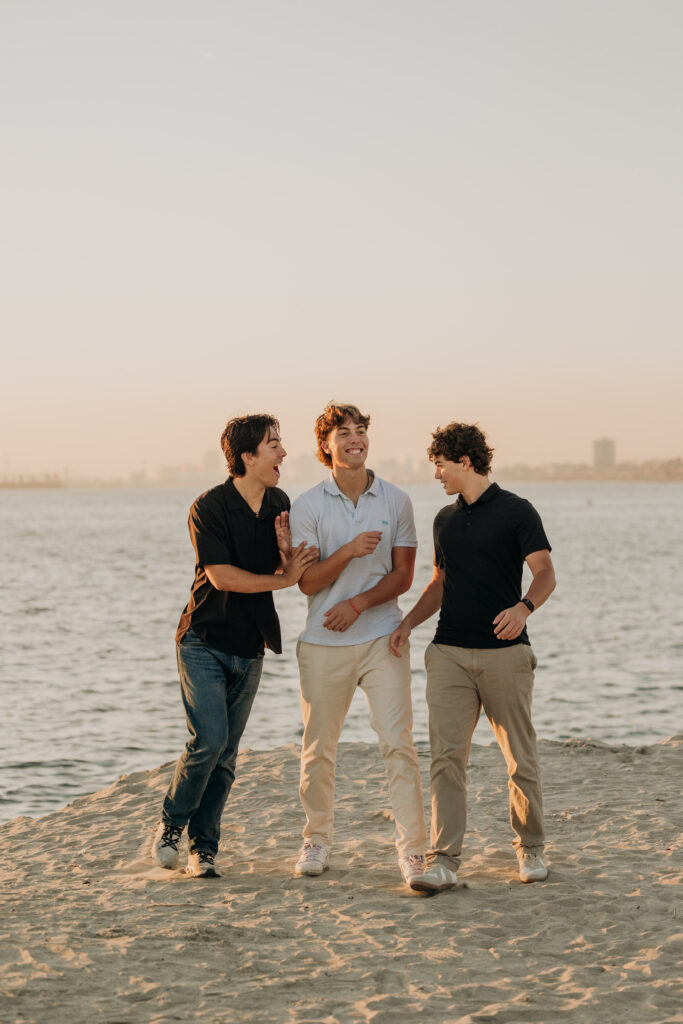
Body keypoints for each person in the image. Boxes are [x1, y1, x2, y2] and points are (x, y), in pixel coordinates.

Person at [390, 422, 556, 892]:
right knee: (445, 759)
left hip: (506, 654)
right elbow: (439, 583)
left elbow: (545, 572)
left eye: (441, 465)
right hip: (449, 653)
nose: (436, 474)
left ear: (465, 462)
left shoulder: (517, 511)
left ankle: (530, 848)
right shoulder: (444, 520)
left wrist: (524, 609)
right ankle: (444, 861)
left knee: (519, 757)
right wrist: (408, 623)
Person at [151, 414, 318, 877]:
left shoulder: (280, 502)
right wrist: (283, 578)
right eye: (273, 444)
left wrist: (288, 556)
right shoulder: (209, 507)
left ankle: (203, 850)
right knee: (208, 741)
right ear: (247, 456)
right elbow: (222, 576)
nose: (283, 452)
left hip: (251, 646)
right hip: (203, 641)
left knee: (225, 757)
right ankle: (170, 825)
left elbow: (288, 564)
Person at [289, 402, 427, 889]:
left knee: (398, 744)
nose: (355, 439)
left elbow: (404, 576)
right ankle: (316, 840)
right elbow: (306, 583)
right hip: (323, 642)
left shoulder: (396, 501)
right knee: (318, 749)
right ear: (325, 446)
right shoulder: (307, 505)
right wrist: (348, 552)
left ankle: (413, 851)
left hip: (382, 637)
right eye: (344, 432)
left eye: (361, 430)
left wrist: (359, 604)